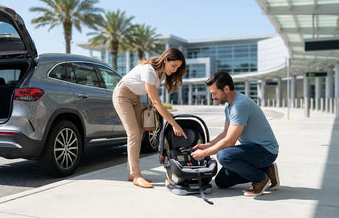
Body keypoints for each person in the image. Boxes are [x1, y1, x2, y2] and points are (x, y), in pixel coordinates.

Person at [191, 71, 280, 196]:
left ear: (226, 89)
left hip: (266, 151)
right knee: (221, 181)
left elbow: (230, 142)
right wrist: (207, 146)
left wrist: (204, 153)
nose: (213, 97)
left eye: (214, 93)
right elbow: (225, 134)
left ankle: (260, 178)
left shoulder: (240, 105)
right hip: (251, 150)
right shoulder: (229, 106)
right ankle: (267, 170)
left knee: (223, 155)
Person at [113, 48, 187, 188]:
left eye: (178, 67)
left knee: (139, 133)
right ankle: (136, 174)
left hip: (135, 97)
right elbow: (156, 102)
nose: (175, 70)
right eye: (174, 66)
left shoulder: (162, 75)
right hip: (122, 95)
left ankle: (132, 172)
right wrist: (174, 124)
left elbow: (154, 99)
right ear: (165, 59)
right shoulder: (149, 70)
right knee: (133, 133)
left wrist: (168, 115)